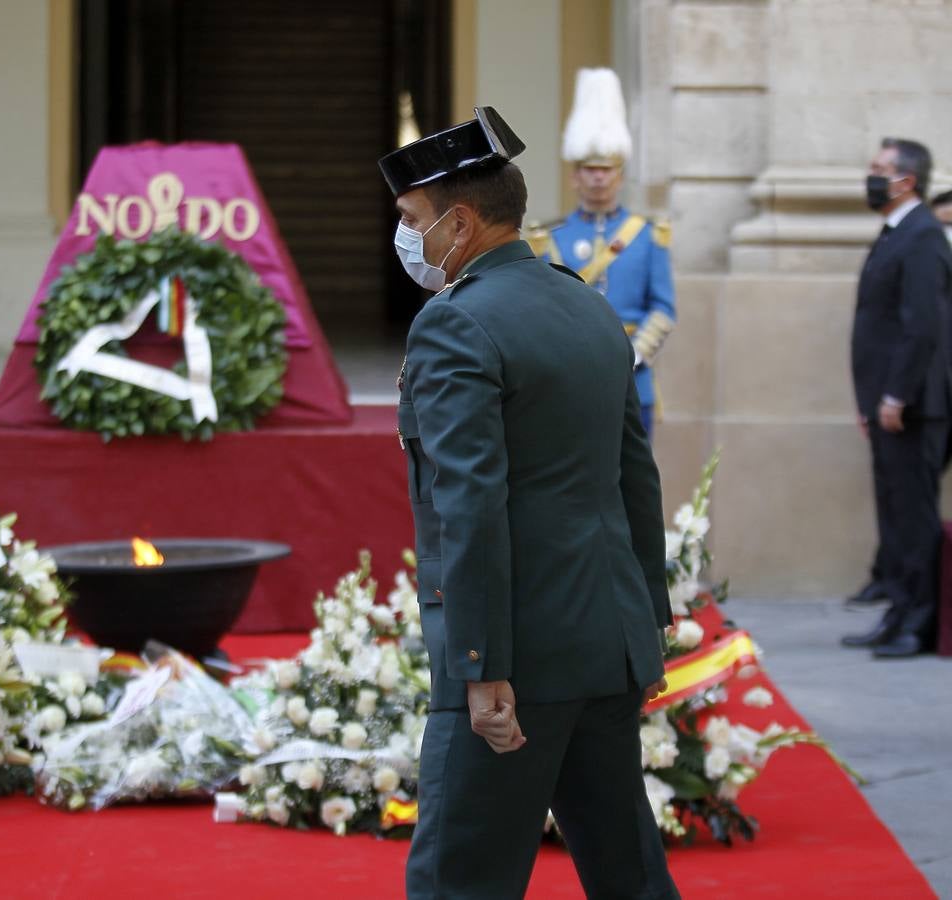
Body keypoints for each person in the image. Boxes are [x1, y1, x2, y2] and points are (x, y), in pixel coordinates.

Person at [379, 108, 679, 899]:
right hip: (606, 640)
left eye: (413, 220)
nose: (406, 237)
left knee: (459, 879)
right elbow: (634, 474)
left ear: (461, 221)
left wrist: (478, 663)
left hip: (517, 657)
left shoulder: (454, 323)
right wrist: (649, 618)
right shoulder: (584, 304)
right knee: (629, 873)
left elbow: (468, 507)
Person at [842, 138, 952, 659]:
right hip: (885, 405)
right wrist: (871, 401)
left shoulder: (924, 236)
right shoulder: (897, 233)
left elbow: (922, 327)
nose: (872, 177)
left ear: (907, 180)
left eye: (879, 169)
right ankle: (898, 611)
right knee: (894, 516)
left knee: (915, 516)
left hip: (912, 405)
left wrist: (895, 395)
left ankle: (920, 621)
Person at [527, 69, 675, 441]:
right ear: (575, 176)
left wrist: (633, 355)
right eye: (589, 170)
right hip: (569, 381)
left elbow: (663, 307)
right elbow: (543, 310)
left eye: (606, 170)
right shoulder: (549, 239)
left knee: (631, 488)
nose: (598, 178)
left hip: (633, 381)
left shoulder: (647, 235)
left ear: (619, 176)